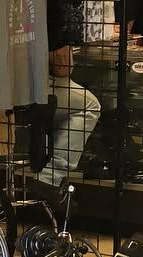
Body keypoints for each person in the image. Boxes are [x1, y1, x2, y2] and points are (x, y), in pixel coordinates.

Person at [36, 41, 101, 189]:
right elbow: (62, 68)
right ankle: (49, 178)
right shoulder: (56, 22)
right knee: (90, 105)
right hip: (32, 89)